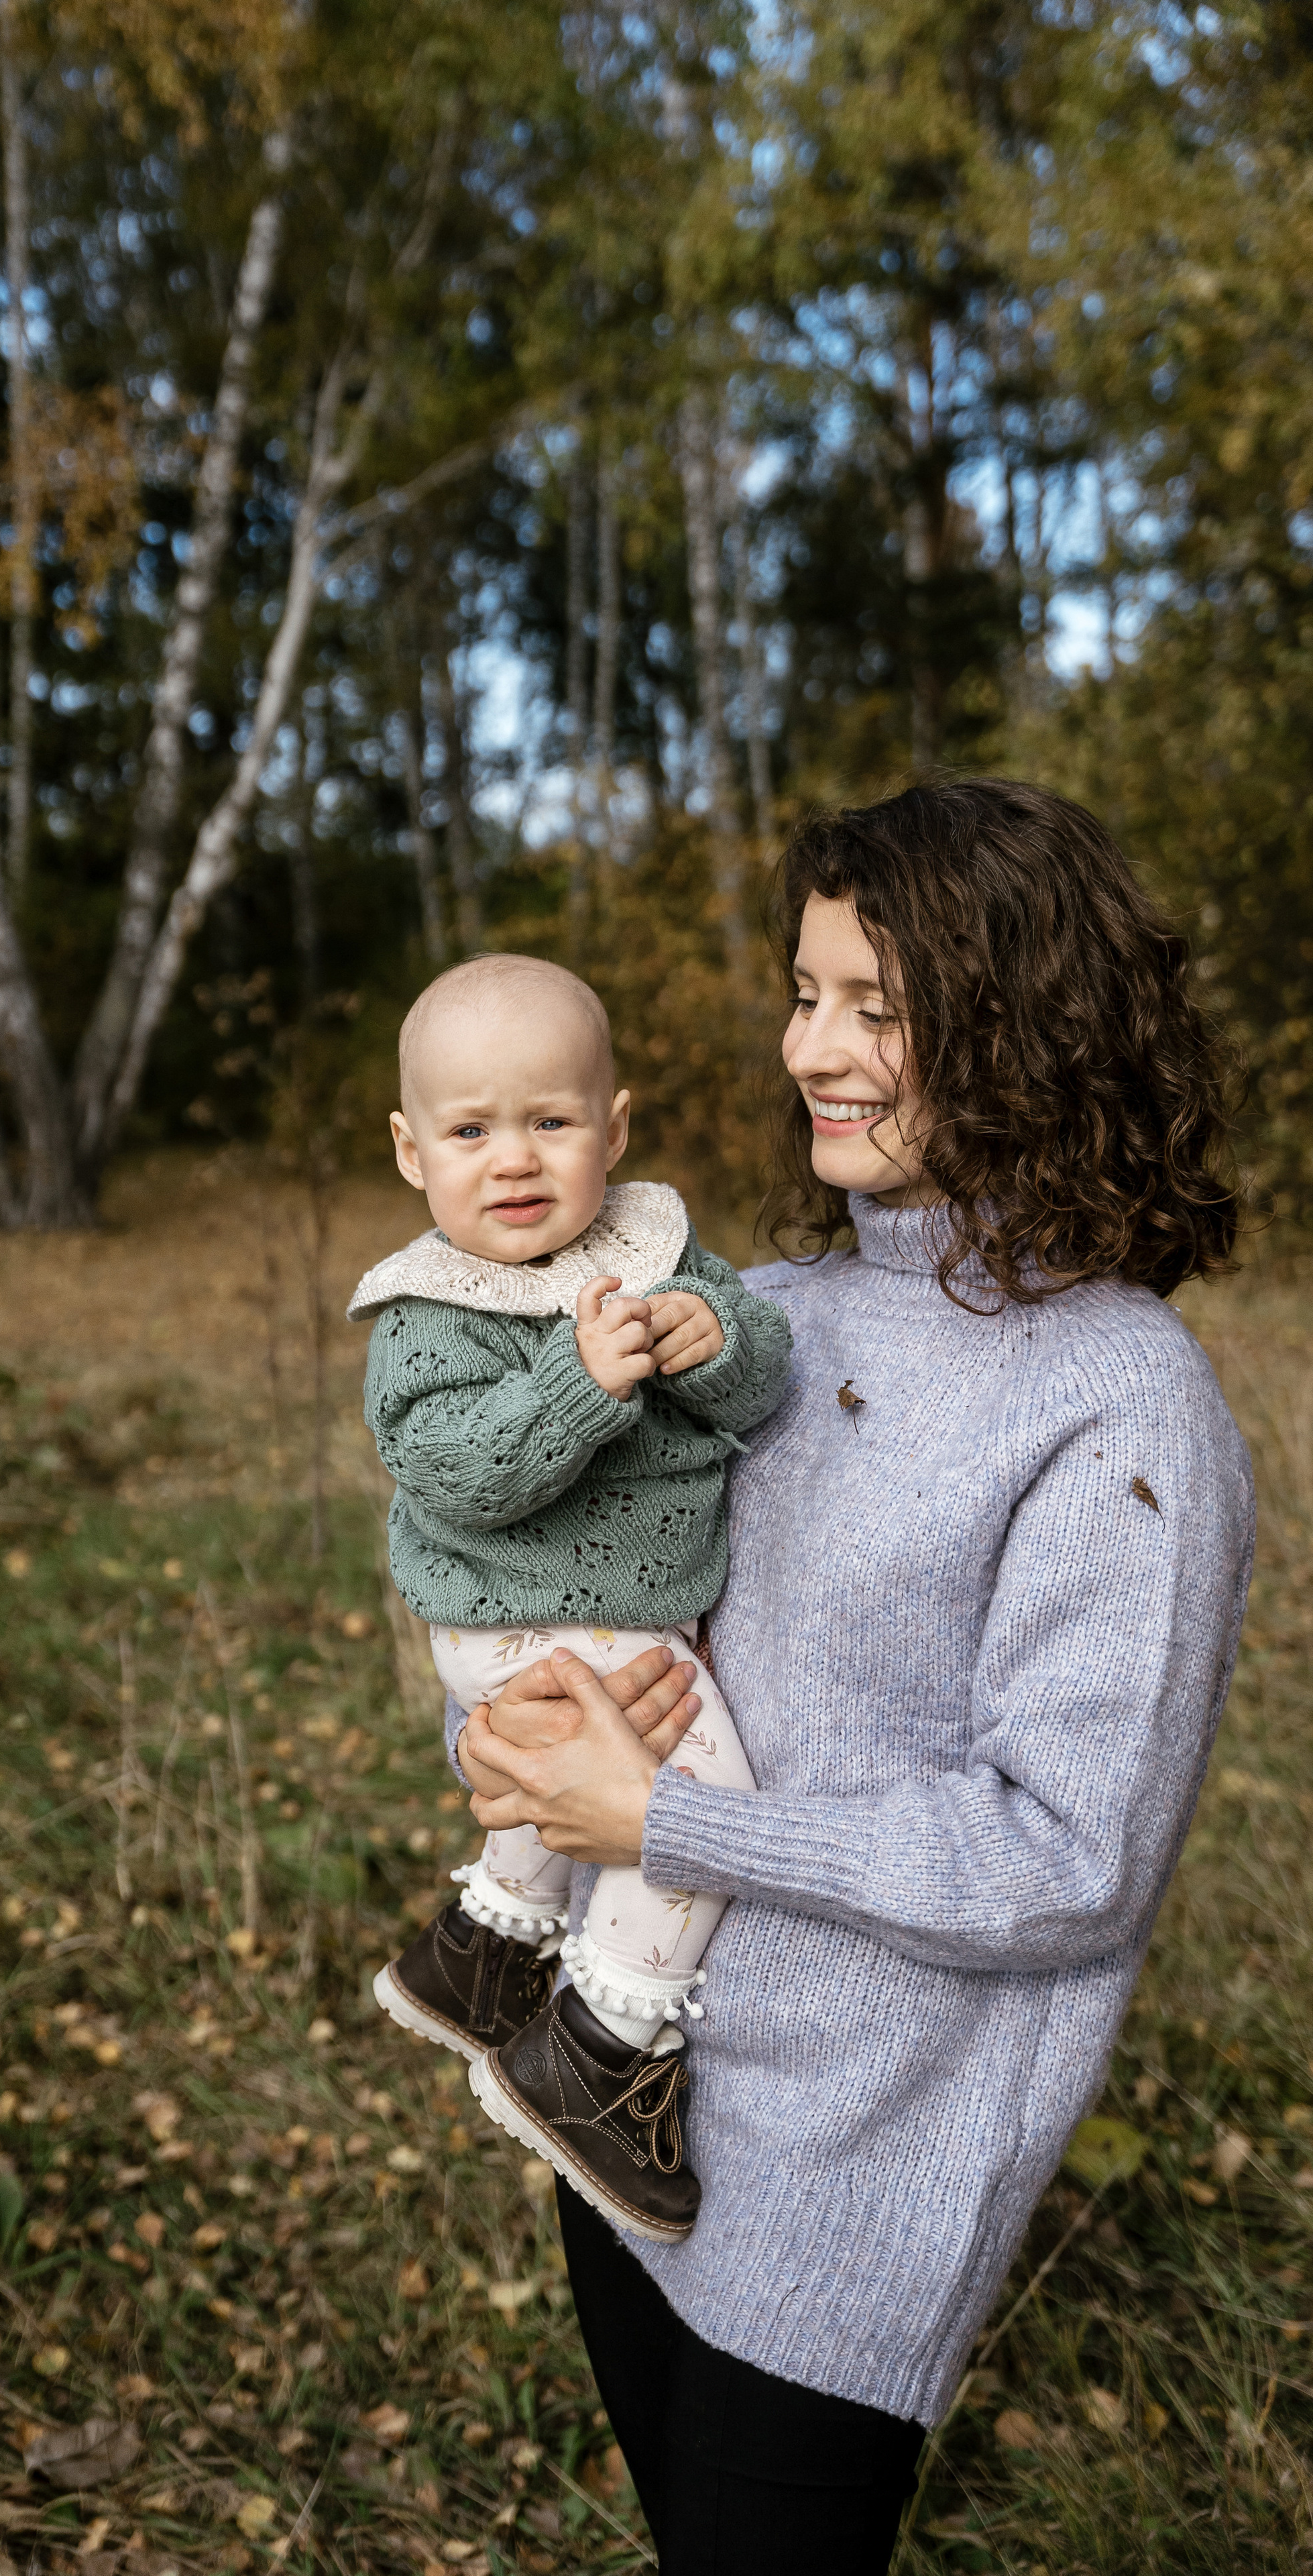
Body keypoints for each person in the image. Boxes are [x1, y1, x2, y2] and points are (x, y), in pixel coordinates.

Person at [453, 780, 1255, 2575]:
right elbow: (586, 1600)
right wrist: (508, 1736)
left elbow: (1066, 1858)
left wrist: (666, 1818)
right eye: (804, 994)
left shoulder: (1124, 1410)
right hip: (629, 2097)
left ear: (1024, 1025)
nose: (811, 1046)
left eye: (873, 1008)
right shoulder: (770, 1320)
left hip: (853, 2189)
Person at [349, 953, 791, 2241]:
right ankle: (599, 2051)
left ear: (616, 1128)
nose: (515, 1160)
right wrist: (575, 1387)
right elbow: (460, 1473)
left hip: (617, 1612)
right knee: (696, 1798)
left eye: (550, 1122)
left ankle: (482, 1956)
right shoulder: (432, 1311)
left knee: (596, 1770)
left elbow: (758, 1381)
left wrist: (720, 1345)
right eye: (471, 1130)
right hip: (518, 1614)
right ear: (409, 1150)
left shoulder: (654, 1249)